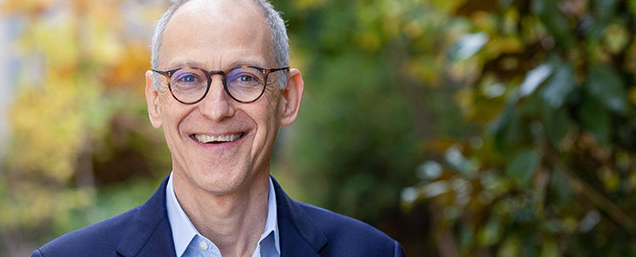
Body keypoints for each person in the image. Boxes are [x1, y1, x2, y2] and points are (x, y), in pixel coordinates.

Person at [30, 0, 407, 256]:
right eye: (188, 78)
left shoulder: (373, 253)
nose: (216, 109)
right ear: (155, 100)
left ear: (287, 97)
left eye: (245, 77)